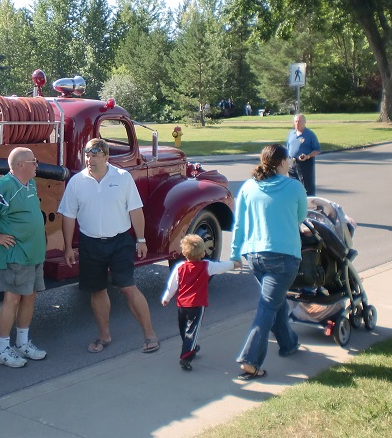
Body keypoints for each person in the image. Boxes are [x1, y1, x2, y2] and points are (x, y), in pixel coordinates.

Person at [60, 138, 160, 354]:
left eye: (94, 155)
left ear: (106, 157)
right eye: (87, 155)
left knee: (128, 287)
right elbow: (68, 215)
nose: (90, 159)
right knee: (97, 290)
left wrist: (141, 240)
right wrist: (68, 247)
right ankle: (104, 336)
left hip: (120, 242)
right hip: (90, 243)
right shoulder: (77, 182)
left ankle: (150, 334)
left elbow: (135, 210)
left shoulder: (122, 178)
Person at [230, 143, 308, 381]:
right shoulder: (295, 187)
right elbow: (301, 217)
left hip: (254, 257)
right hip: (283, 258)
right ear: (283, 162)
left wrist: (234, 254)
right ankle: (250, 360)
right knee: (267, 307)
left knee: (275, 303)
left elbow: (239, 224)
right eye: (289, 161)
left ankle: (289, 343)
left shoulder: (249, 187)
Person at [0, 147, 47, 368]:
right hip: (15, 254)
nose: (37, 165)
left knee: (30, 296)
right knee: (12, 299)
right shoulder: (4, 185)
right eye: (34, 161)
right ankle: (2, 349)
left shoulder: (30, 183)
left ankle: (22, 343)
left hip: (33, 253)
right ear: (21, 165)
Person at [161, 234, 239, 371]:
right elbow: (223, 267)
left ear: (184, 253)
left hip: (182, 304)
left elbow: (172, 284)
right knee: (193, 330)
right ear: (203, 253)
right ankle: (186, 356)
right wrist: (234, 264)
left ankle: (191, 347)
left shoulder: (180, 267)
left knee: (184, 328)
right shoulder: (207, 266)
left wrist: (166, 298)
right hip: (197, 305)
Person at [286, 114, 321, 196]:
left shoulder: (309, 134)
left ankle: (310, 204)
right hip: (292, 162)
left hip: (305, 163)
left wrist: (307, 156)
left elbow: (317, 150)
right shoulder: (291, 134)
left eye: (299, 121)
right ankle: (296, 203)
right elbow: (288, 148)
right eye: (296, 121)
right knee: (293, 185)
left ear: (304, 122)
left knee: (306, 186)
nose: (297, 123)